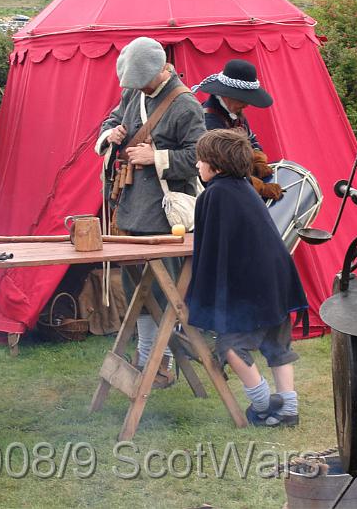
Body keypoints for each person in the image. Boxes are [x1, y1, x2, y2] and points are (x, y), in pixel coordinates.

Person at [96, 37, 206, 388]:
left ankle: (158, 361)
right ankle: (149, 358)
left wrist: (156, 158)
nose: (138, 88)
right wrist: (111, 133)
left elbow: (199, 159)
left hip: (162, 215)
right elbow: (113, 117)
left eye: (143, 81)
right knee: (136, 291)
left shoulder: (186, 105)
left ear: (163, 69)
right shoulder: (134, 93)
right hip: (129, 209)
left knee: (160, 293)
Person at [185, 129, 308, 426]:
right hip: (277, 278)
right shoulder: (245, 189)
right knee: (277, 346)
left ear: (216, 165)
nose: (197, 166)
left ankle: (264, 403)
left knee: (230, 345)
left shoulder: (213, 195)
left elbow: (211, 249)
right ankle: (288, 409)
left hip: (249, 285)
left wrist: (199, 298)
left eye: (201, 161)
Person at [192, 59, 283, 200]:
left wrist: (259, 162)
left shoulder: (235, 113)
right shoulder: (210, 121)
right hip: (217, 193)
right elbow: (224, 172)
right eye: (243, 99)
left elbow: (251, 139)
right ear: (228, 94)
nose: (246, 104)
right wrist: (261, 187)